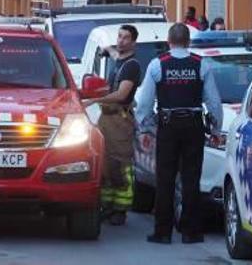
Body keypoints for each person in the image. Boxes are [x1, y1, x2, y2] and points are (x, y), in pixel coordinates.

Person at [135, 24, 222, 244]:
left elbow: (144, 102)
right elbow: (213, 102)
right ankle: (191, 231)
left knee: (165, 178)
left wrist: (144, 125)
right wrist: (216, 128)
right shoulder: (200, 64)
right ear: (188, 41)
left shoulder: (158, 65)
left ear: (168, 40)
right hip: (193, 125)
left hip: (168, 125)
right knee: (191, 178)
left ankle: (163, 232)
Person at [82, 25, 142, 226]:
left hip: (120, 119)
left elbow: (122, 94)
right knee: (105, 164)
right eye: (119, 36)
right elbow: (115, 54)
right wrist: (106, 49)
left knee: (119, 165)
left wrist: (93, 101)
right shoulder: (120, 61)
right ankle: (107, 206)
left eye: (126, 38)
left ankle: (120, 209)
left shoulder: (132, 66)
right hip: (107, 119)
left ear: (133, 42)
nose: (121, 40)